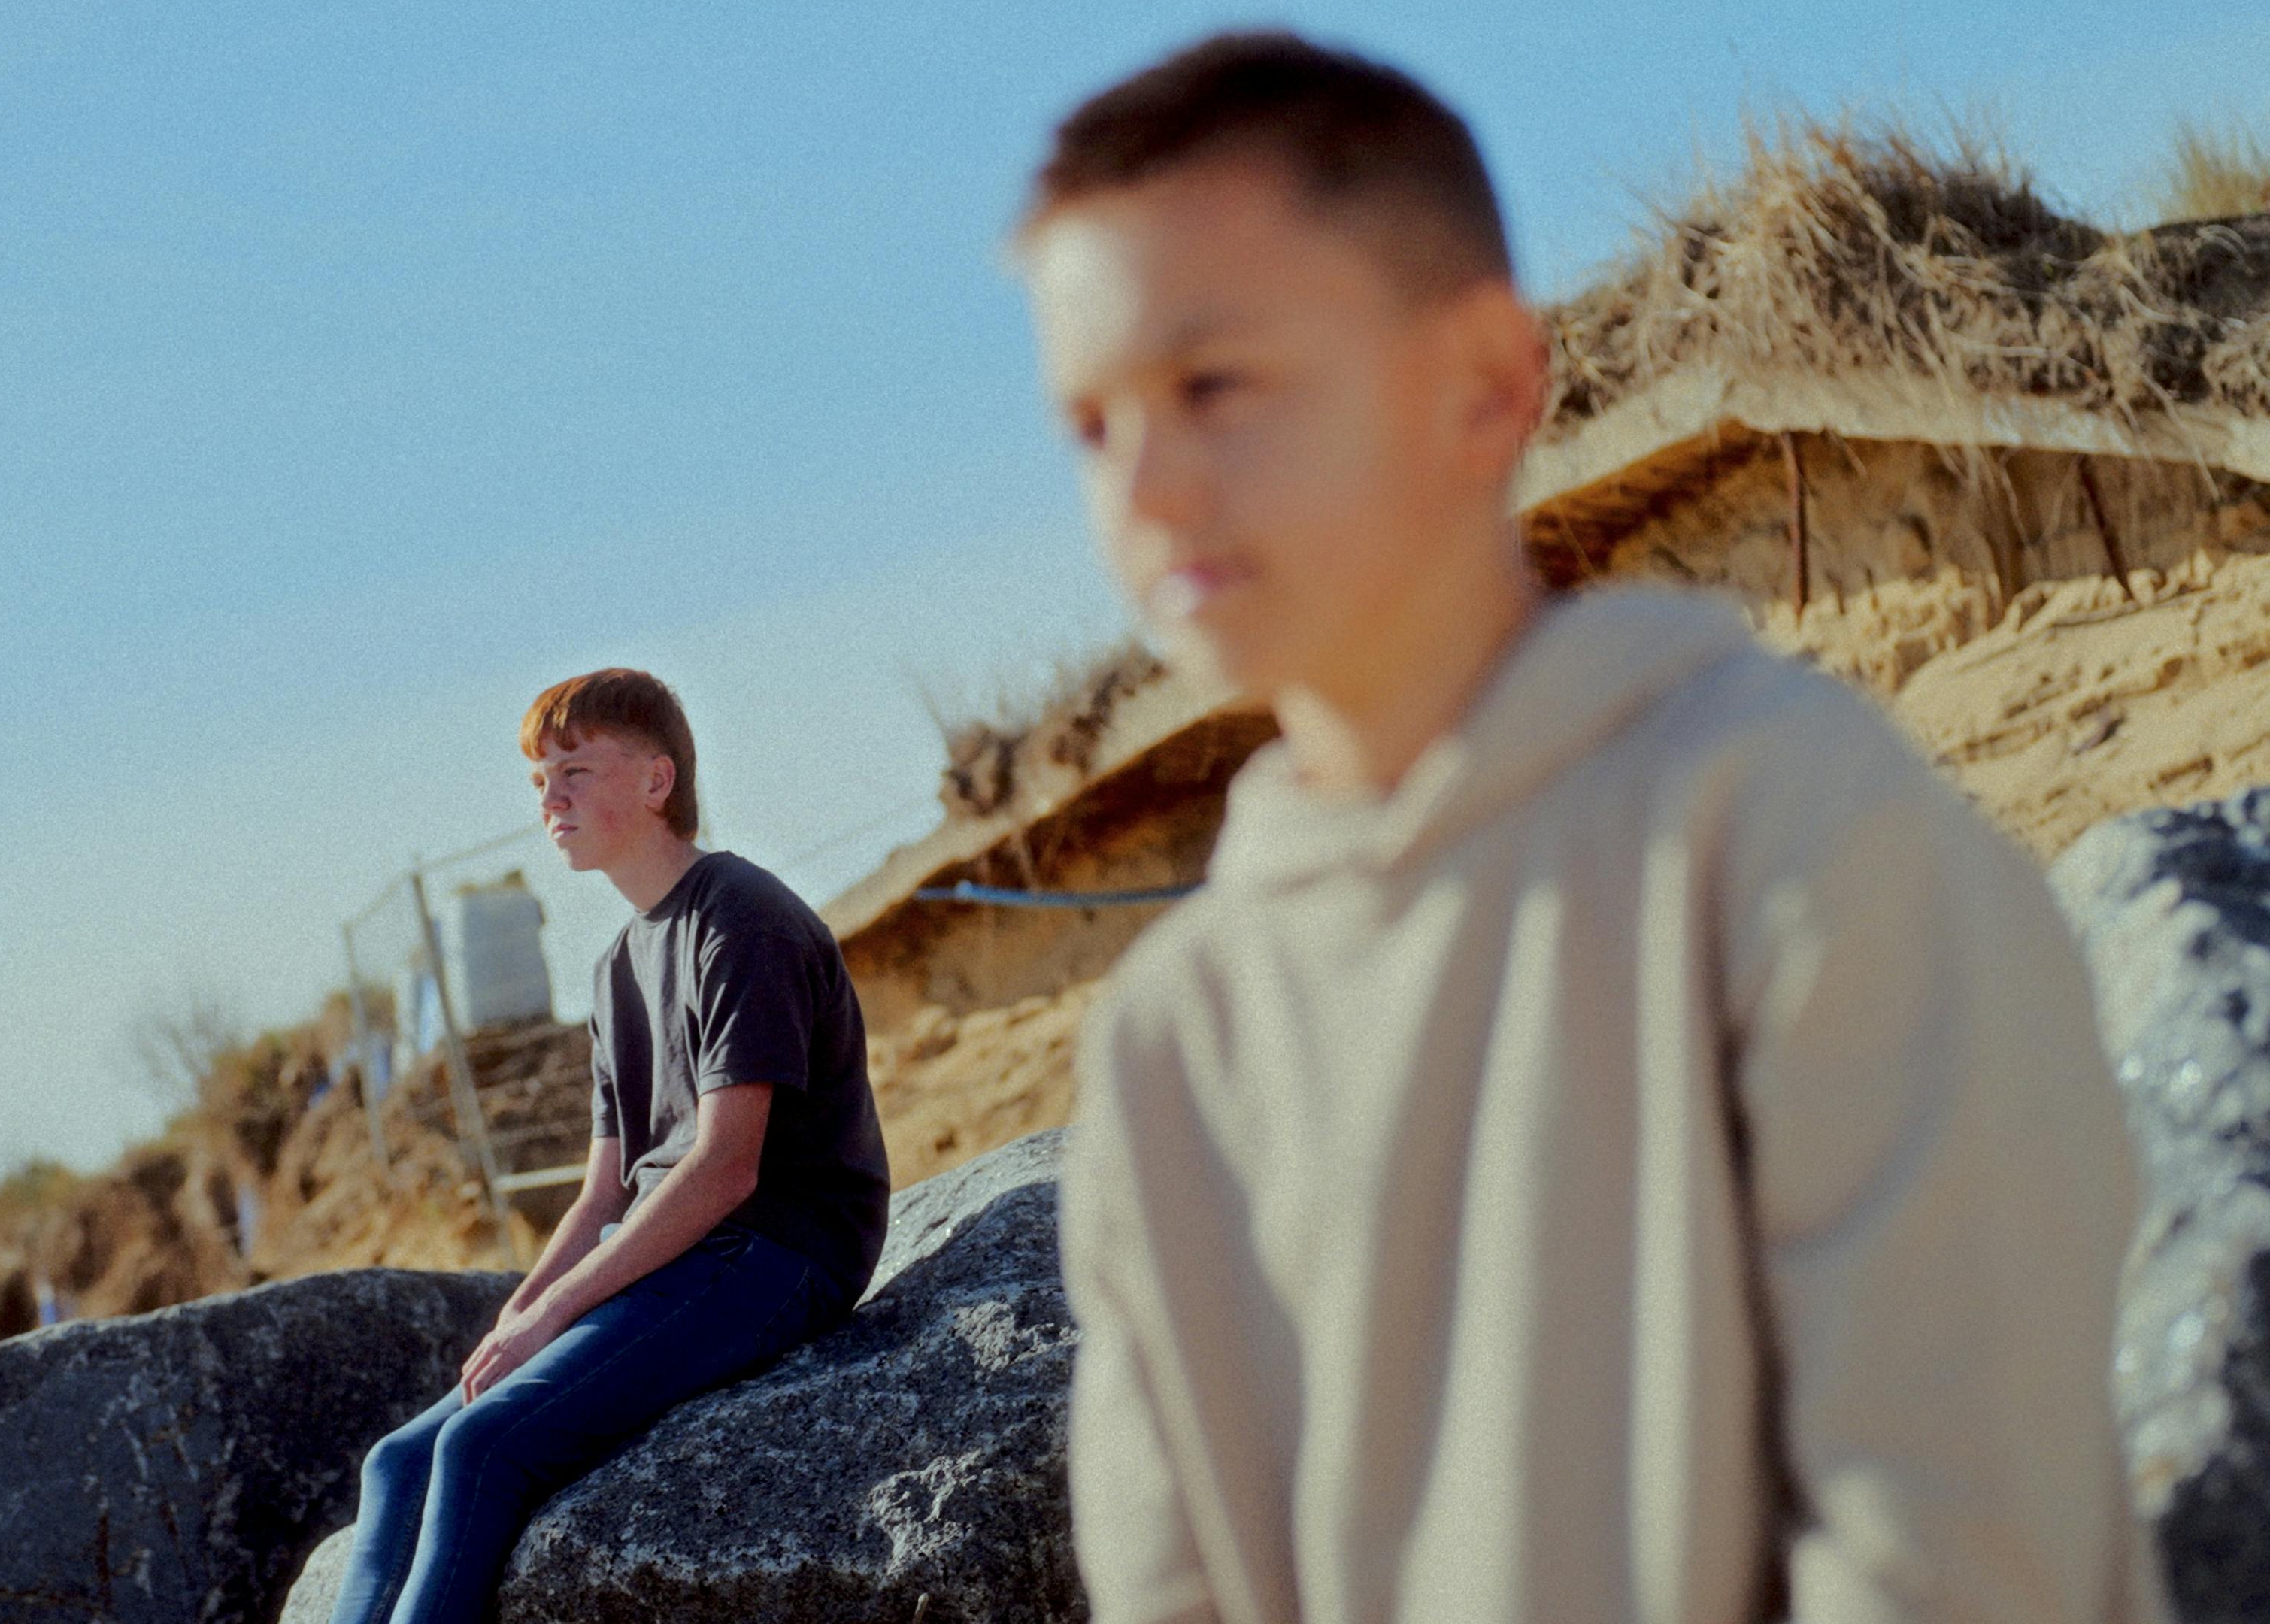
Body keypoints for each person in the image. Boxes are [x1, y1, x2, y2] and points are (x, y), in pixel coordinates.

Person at [1018, 32, 2153, 1624]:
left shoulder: (1791, 833)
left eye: (1213, 384)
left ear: (1484, 383)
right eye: (1087, 423)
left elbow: (1957, 1554)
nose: (1142, 483)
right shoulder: (1165, 1045)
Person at [330, 667, 890, 1624]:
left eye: (576, 771)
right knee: (401, 1459)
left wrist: (558, 1316)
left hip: (775, 1249)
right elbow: (598, 1198)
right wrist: (517, 1320)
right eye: (539, 779)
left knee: (482, 1450)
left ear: (657, 781)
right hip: (678, 1256)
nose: (550, 798)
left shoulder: (739, 917)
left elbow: (725, 1167)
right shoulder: (616, 965)